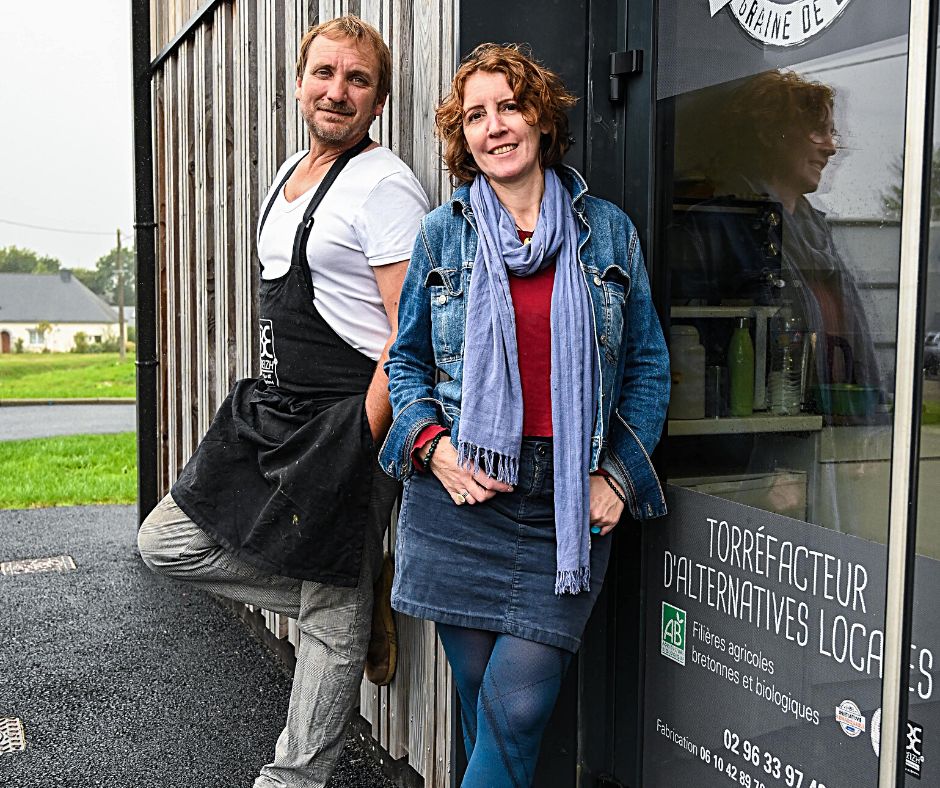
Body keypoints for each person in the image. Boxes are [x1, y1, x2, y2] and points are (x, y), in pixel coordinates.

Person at [136, 15, 429, 788]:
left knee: (332, 613)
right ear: (298, 84)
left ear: (378, 100)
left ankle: (291, 778)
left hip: (347, 419)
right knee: (166, 543)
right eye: (324, 73)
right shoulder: (288, 172)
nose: (337, 90)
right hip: (273, 408)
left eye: (358, 79)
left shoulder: (386, 186)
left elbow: (410, 333)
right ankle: (354, 597)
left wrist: (361, 437)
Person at [379, 43, 670, 786]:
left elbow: (646, 366)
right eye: (476, 116)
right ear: (464, 137)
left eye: (509, 107)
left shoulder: (607, 232)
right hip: (462, 499)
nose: (495, 127)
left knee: (516, 710)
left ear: (541, 118)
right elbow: (406, 362)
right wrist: (435, 449)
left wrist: (618, 476)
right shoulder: (442, 234)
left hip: (565, 504)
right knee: (484, 703)